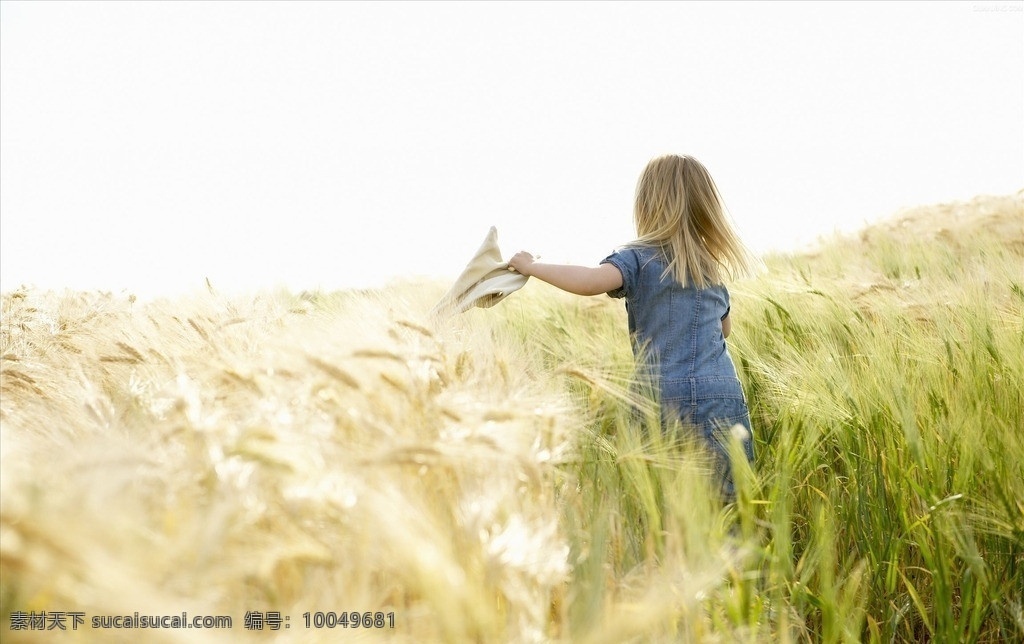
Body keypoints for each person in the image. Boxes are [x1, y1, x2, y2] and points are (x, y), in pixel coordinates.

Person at [508, 154, 758, 501]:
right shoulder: (709, 268)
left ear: (647, 204)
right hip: (722, 395)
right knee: (728, 504)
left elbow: (591, 282)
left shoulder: (637, 258)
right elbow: (724, 330)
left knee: (664, 503)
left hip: (659, 396)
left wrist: (532, 266)